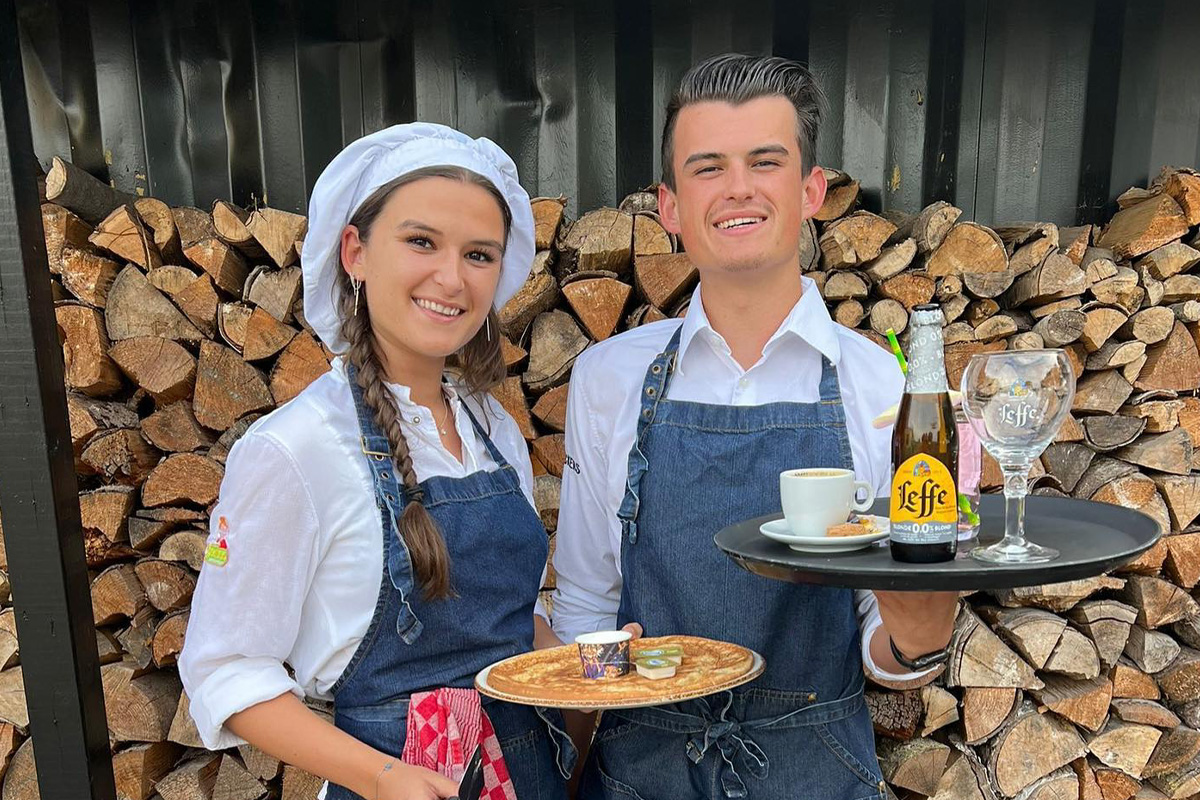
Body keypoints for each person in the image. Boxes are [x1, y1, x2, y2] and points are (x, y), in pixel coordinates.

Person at [552, 54, 960, 799]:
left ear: (810, 191)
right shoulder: (608, 379)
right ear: (671, 207)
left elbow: (887, 645)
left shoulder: (880, 385)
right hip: (640, 775)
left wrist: (920, 633)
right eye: (707, 167)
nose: (737, 187)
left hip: (817, 774)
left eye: (764, 162)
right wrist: (568, 765)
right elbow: (587, 605)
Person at [179, 123, 573, 800]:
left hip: (533, 775)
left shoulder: (495, 430)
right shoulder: (296, 448)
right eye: (421, 241)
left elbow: (512, 626)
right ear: (355, 252)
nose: (451, 278)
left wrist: (592, 672)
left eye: (479, 254)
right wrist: (383, 776)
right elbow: (225, 670)